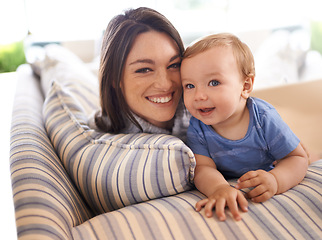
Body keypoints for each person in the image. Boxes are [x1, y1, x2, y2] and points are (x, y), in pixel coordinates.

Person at [180, 33, 308, 221]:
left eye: (213, 83)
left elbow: (297, 157)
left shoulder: (263, 117)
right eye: (189, 86)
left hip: (266, 168)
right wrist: (219, 188)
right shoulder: (197, 126)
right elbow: (203, 168)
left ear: (245, 86)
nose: (199, 95)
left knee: (306, 152)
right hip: (229, 178)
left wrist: (276, 179)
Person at [92, 7, 189, 139]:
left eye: (174, 65)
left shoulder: (207, 111)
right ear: (114, 77)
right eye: (144, 70)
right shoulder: (99, 137)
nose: (165, 84)